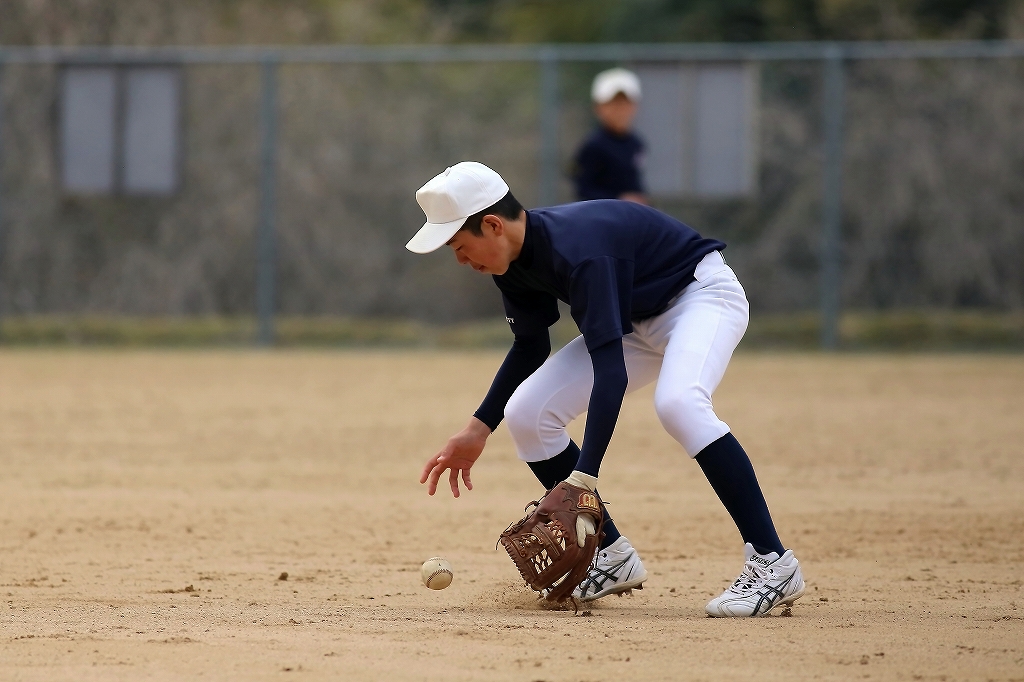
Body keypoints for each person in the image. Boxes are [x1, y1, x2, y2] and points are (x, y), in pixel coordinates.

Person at [412, 161, 805, 616]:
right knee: (527, 413)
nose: (461, 261)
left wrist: (585, 479)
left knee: (679, 404)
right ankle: (611, 556)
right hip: (634, 320)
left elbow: (610, 375)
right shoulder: (510, 263)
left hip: (700, 298)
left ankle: (772, 562)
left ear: (493, 225)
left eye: (460, 247)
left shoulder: (581, 251)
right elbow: (530, 344)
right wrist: (479, 428)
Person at [572, 68, 647, 204]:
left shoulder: (636, 143)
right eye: (613, 104)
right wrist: (619, 200)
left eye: (625, 104)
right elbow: (583, 190)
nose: (620, 110)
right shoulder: (593, 146)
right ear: (598, 107)